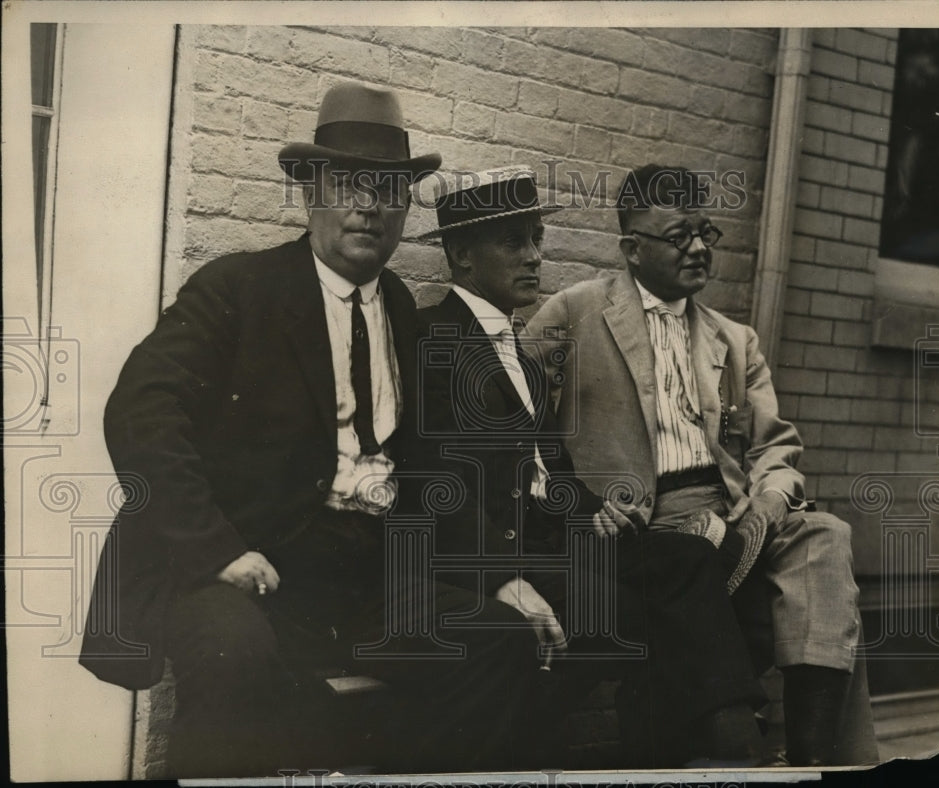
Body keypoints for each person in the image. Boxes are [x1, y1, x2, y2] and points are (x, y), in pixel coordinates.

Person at [78, 81, 540, 778]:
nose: (369, 204)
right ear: (309, 193)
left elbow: (433, 467)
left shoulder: (401, 309)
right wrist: (216, 550)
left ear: (405, 207)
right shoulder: (238, 289)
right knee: (235, 654)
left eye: (390, 189)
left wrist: (499, 578)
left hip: (364, 577)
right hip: (247, 566)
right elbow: (141, 414)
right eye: (348, 183)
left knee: (500, 641)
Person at [414, 166, 770, 768]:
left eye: (536, 239)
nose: (534, 257)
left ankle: (728, 735)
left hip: (556, 536)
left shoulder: (523, 353)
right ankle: (716, 752)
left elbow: (545, 466)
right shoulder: (432, 339)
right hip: (498, 550)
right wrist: (503, 575)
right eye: (513, 242)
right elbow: (437, 485)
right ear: (461, 255)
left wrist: (593, 507)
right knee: (629, 615)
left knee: (686, 559)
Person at [526, 163, 878, 766]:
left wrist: (768, 504)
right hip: (643, 524)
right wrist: (576, 505)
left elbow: (774, 447)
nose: (697, 249)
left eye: (704, 232)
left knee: (824, 535)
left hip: (732, 512)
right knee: (695, 571)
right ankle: (735, 749)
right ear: (632, 249)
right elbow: (519, 425)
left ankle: (814, 758)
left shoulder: (734, 340)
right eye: (677, 236)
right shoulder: (572, 314)